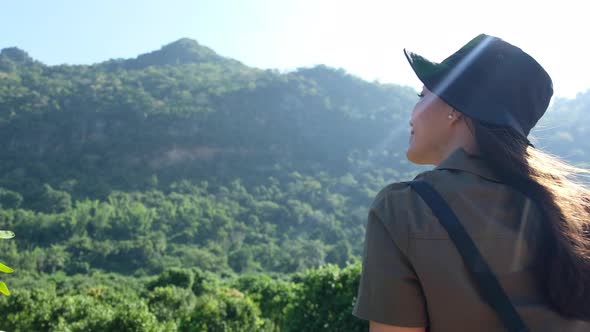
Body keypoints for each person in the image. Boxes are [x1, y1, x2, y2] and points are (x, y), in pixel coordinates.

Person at [352, 34, 590, 331]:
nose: (412, 115)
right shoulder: (579, 210)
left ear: (455, 109)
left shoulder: (405, 209)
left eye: (422, 96)